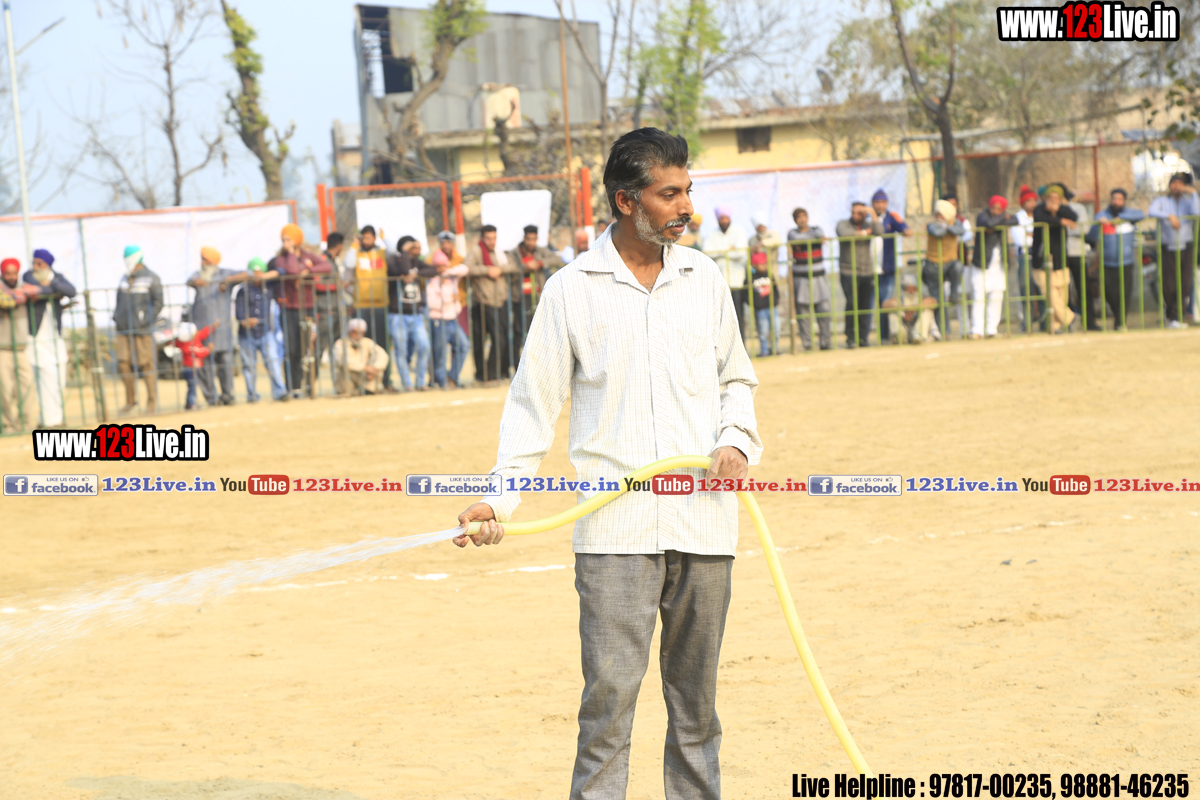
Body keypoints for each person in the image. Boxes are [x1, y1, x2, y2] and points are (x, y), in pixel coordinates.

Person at [454, 127, 761, 800]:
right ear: (626, 201)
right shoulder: (571, 290)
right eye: (668, 194)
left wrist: (736, 439)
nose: (685, 207)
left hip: (705, 524)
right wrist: (498, 500)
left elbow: (736, 379)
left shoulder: (704, 279)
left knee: (697, 710)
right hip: (615, 535)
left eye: (687, 191)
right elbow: (531, 407)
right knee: (608, 708)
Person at [269, 223, 333, 397]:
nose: (285, 242)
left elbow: (326, 266)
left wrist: (307, 270)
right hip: (289, 308)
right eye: (283, 240)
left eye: (288, 239)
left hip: (307, 307)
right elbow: (292, 270)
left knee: (306, 349)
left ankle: (307, 385)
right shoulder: (280, 259)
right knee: (291, 349)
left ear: (297, 240)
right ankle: (293, 387)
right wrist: (291, 253)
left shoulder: (307, 256)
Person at [22, 248, 76, 427]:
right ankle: (48, 421)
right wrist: (53, 291)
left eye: (40, 263)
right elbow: (34, 290)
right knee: (46, 378)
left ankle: (55, 418)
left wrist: (49, 286)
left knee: (59, 378)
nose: (36, 266)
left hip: (55, 336)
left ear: (48, 264)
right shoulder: (29, 275)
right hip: (37, 337)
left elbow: (71, 291)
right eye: (34, 263)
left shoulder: (57, 277)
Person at [228, 256, 287, 402]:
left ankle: (279, 392)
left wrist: (265, 276)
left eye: (260, 272)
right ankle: (252, 395)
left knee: (273, 362)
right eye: (254, 272)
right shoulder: (243, 290)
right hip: (246, 334)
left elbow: (282, 272)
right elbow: (239, 313)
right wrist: (246, 321)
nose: (257, 275)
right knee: (249, 366)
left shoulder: (269, 286)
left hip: (266, 332)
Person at [1086, 188, 1146, 330]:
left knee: (1125, 293)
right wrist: (1099, 225)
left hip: (1126, 261)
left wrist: (1121, 219)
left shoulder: (1130, 215)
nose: (1116, 202)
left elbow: (1141, 214)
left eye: (1119, 199)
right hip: (1107, 261)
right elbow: (1091, 236)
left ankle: (1120, 322)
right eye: (1114, 199)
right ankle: (1118, 317)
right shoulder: (1101, 215)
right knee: (1109, 293)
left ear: (1124, 201)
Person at [112, 245, 163, 414]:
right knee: (123, 363)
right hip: (123, 329)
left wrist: (144, 320)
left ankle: (151, 402)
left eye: (127, 257)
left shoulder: (151, 277)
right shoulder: (124, 278)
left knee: (147, 364)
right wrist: (116, 317)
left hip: (142, 330)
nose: (125, 261)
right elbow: (119, 301)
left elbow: (158, 303)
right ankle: (130, 400)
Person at [465, 224, 518, 384]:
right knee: (481, 340)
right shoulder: (476, 251)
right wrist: (487, 270)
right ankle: (484, 375)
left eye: (494, 238)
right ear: (482, 238)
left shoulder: (499, 252)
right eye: (488, 238)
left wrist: (500, 270)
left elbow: (513, 266)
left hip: (500, 300)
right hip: (483, 301)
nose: (491, 241)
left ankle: (494, 373)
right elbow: (468, 268)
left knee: (501, 337)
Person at [186, 247, 237, 406]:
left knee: (225, 363)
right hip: (202, 329)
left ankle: (228, 395)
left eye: (205, 260)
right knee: (205, 366)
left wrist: (228, 281)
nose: (202, 262)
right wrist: (197, 282)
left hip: (222, 329)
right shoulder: (198, 274)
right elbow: (190, 281)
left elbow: (248, 274)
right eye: (202, 259)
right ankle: (211, 398)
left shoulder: (225, 274)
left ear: (213, 262)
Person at [509, 224, 565, 368]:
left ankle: (537, 366)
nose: (530, 242)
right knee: (519, 331)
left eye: (533, 239)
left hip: (537, 296)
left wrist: (540, 263)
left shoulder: (540, 251)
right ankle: (517, 367)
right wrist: (525, 267)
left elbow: (557, 258)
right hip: (520, 297)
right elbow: (510, 267)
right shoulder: (515, 253)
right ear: (524, 238)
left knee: (538, 332)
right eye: (528, 239)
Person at [1148, 171, 1199, 328]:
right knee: (1169, 283)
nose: (1177, 187)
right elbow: (1152, 211)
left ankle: (1179, 316)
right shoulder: (1162, 201)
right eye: (1174, 183)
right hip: (1168, 246)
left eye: (1180, 184)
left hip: (1186, 245)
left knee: (1185, 283)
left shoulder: (1187, 201)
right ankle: (1171, 316)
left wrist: (1193, 193)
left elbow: (1196, 212)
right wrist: (1169, 216)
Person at [343, 225, 392, 384]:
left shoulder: (381, 253)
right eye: (363, 238)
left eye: (368, 238)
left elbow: (394, 253)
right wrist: (354, 244)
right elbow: (348, 264)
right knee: (364, 344)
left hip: (381, 305)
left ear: (374, 238)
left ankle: (385, 380)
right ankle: (366, 382)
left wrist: (384, 239)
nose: (366, 241)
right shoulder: (356, 253)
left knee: (382, 343)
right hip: (361, 306)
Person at [966, 196, 1019, 338]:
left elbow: (1015, 220)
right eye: (993, 208)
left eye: (999, 209)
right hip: (982, 263)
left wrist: (997, 222)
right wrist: (1001, 219)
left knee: (997, 296)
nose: (995, 211)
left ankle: (991, 330)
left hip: (999, 264)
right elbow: (988, 223)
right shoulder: (982, 216)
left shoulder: (1003, 217)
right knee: (979, 296)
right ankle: (977, 330)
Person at [1031, 185, 1078, 334]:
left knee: (1062, 294)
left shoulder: (1064, 210)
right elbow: (1041, 218)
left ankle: (1056, 326)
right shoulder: (1039, 210)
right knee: (1049, 294)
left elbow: (1073, 217)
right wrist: (1061, 221)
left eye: (1055, 198)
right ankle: (1070, 318)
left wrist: (1057, 211)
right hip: (1042, 260)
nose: (1052, 201)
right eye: (1049, 198)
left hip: (1060, 258)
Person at [836, 201, 883, 347]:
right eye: (853, 212)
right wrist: (864, 233)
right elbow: (844, 234)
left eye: (859, 213)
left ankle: (863, 338)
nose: (855, 215)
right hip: (848, 272)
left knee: (864, 306)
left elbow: (880, 231)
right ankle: (850, 337)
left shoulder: (868, 224)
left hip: (866, 271)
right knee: (851, 304)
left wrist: (873, 214)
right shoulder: (843, 224)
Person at [388, 235, 432, 391]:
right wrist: (405, 253)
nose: (415, 250)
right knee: (401, 350)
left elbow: (433, 270)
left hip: (416, 314)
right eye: (410, 247)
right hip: (397, 315)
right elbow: (404, 270)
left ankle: (421, 382)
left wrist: (416, 274)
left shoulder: (416, 263)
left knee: (424, 346)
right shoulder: (393, 261)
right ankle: (407, 383)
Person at [428, 231, 471, 389]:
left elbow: (464, 269)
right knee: (440, 353)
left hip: (452, 319)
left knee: (464, 346)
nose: (441, 268)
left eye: (444, 265)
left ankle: (452, 377)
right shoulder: (432, 281)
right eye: (438, 266)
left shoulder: (451, 277)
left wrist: (447, 273)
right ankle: (441, 381)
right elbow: (432, 302)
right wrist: (449, 299)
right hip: (439, 320)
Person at [0, 258, 39, 431]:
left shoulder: (25, 288)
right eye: (7, 273)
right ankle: (8, 425)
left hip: (22, 347)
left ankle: (26, 423)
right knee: (5, 390)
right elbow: (7, 302)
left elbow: (37, 290)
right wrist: (19, 295)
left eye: (14, 273)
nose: (11, 277)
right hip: (3, 348)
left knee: (27, 387)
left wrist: (20, 294)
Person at [786, 207, 832, 351]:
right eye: (799, 217)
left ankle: (825, 343)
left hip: (818, 278)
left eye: (804, 216)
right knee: (803, 313)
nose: (802, 219)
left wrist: (816, 237)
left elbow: (819, 234)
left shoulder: (817, 229)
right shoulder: (792, 233)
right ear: (795, 220)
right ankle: (807, 344)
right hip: (801, 279)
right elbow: (796, 239)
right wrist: (816, 239)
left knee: (824, 310)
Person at [703, 205, 750, 340]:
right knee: (721, 318)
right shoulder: (712, 234)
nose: (724, 220)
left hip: (736, 282)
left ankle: (741, 344)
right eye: (721, 218)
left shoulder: (739, 231)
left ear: (730, 218)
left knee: (738, 315)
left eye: (726, 218)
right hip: (720, 282)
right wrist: (729, 249)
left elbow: (741, 252)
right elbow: (707, 252)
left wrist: (720, 252)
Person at [923, 199, 966, 340]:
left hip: (950, 264)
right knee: (939, 301)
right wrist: (947, 226)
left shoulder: (955, 222)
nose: (938, 216)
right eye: (937, 213)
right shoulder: (931, 224)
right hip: (933, 266)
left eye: (941, 214)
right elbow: (938, 233)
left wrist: (947, 226)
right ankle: (944, 332)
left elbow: (961, 231)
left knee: (958, 266)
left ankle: (954, 294)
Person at [871, 189, 911, 344]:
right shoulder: (868, 218)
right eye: (877, 202)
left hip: (886, 268)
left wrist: (905, 230)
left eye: (883, 202)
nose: (880, 205)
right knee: (869, 304)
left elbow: (902, 227)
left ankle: (885, 336)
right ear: (872, 204)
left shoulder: (891, 217)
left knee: (885, 303)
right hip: (869, 270)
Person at [332, 317, 388, 395]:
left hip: (366, 376)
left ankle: (369, 390)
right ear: (349, 332)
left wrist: (374, 369)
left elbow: (383, 355)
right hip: (350, 375)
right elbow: (341, 361)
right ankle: (349, 392)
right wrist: (364, 368)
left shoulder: (367, 342)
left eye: (360, 332)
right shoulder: (340, 343)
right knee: (342, 370)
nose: (357, 335)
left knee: (379, 364)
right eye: (354, 332)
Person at [1011, 185, 1039, 330]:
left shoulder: (1040, 215)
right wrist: (1035, 235)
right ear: (1023, 203)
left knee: (1041, 289)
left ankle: (1045, 323)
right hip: (1025, 256)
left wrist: (1030, 234)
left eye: (1034, 200)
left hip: (1039, 256)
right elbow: (1021, 240)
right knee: (1026, 290)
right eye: (1029, 201)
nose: (1032, 203)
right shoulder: (1017, 218)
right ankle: (1027, 323)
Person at [882, 272, 937, 344]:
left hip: (917, 321)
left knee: (927, 311)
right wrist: (903, 309)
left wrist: (914, 308)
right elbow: (885, 305)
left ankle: (918, 334)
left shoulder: (922, 293)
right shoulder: (898, 293)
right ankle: (899, 335)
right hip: (905, 324)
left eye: (914, 288)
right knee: (893, 311)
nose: (911, 291)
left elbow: (933, 301)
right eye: (908, 288)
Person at [172, 320, 216, 410]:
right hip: (190, 369)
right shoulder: (188, 345)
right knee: (192, 387)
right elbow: (199, 352)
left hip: (192, 368)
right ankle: (191, 403)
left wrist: (211, 327)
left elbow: (202, 333)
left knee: (192, 386)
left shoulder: (190, 340)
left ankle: (190, 403)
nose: (197, 332)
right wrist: (208, 349)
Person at [750, 250, 778, 356]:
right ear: (754, 265)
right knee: (763, 330)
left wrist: (775, 301)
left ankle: (775, 349)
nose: (764, 266)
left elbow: (775, 289)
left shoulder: (769, 275)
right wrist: (756, 304)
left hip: (772, 307)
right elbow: (747, 294)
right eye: (761, 264)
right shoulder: (751, 278)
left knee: (776, 328)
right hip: (760, 309)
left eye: (765, 263)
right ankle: (764, 351)